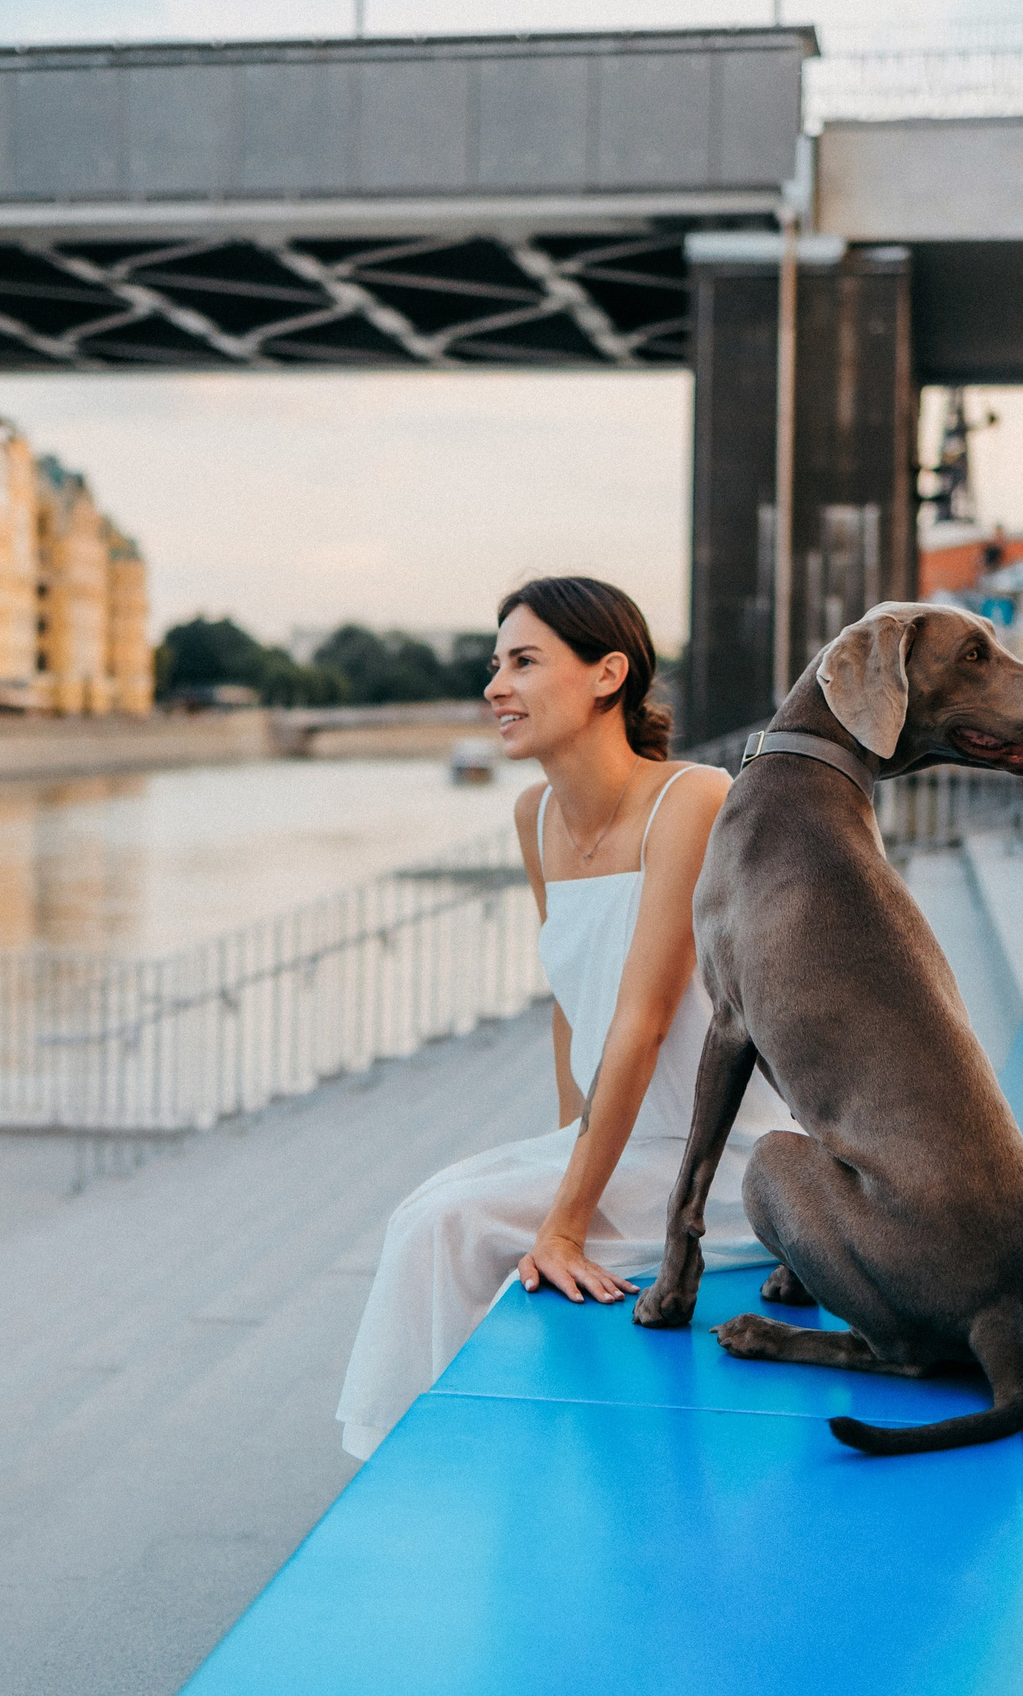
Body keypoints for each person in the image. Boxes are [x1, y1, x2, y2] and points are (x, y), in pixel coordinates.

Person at [335, 576, 798, 1461]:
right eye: (494, 664)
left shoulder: (691, 799)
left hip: (719, 1160)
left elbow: (644, 1019)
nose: (495, 686)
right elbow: (569, 1005)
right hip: (623, 1140)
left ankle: (434, 1465)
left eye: (523, 662)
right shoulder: (534, 814)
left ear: (606, 674)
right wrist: (565, 1151)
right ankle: (447, 1451)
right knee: (427, 1207)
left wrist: (568, 1214)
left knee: (450, 1225)